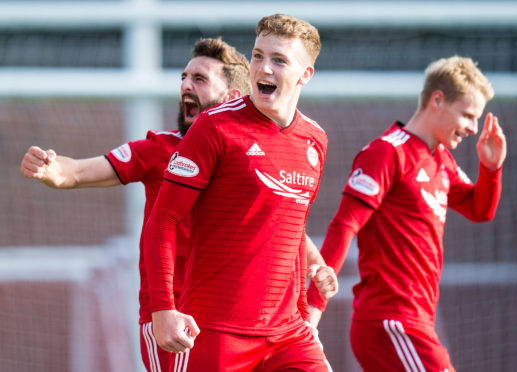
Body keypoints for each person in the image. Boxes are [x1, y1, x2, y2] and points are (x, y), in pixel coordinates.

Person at [20, 36, 337, 372]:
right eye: (184, 77)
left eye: (199, 79)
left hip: (255, 326)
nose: (186, 84)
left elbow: (271, 221)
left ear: (232, 96)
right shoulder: (159, 149)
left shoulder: (253, 150)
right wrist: (52, 169)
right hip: (182, 319)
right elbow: (78, 171)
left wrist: (316, 265)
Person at [144, 14, 332, 371]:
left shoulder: (315, 140)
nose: (263, 68)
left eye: (279, 60)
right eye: (258, 55)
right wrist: (163, 308)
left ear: (304, 75)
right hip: (214, 331)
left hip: (289, 335)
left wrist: (305, 315)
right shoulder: (214, 127)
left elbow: (292, 235)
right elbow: (163, 219)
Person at [307, 56, 507, 372]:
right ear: (437, 100)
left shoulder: (442, 161)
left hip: (413, 323)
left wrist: (491, 168)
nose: (472, 128)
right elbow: (345, 225)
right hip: (391, 322)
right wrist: (313, 309)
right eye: (468, 115)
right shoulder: (387, 152)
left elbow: (480, 210)